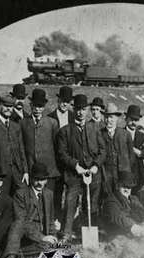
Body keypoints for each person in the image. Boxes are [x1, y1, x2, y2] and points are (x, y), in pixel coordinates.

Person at [56, 94, 107, 242]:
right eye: (77, 109)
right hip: (74, 174)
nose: (80, 112)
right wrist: (75, 165)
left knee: (91, 204)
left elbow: (102, 151)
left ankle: (86, 232)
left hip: (92, 174)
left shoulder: (94, 129)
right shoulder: (65, 131)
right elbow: (62, 153)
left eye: (83, 109)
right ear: (74, 109)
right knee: (71, 202)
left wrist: (96, 165)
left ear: (87, 110)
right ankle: (66, 233)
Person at [3, 163, 57, 258]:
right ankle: (10, 257)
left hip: (40, 237)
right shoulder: (20, 194)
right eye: (37, 179)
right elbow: (22, 221)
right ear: (31, 179)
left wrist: (53, 237)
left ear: (46, 180)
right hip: (23, 235)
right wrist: (42, 237)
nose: (39, 183)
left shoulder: (49, 194)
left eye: (42, 180)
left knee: (52, 247)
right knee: (17, 224)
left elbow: (50, 220)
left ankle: (13, 253)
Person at [0, 95, 28, 196]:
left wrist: (25, 171)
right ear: (0, 105)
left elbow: (21, 150)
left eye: (11, 106)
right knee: (2, 201)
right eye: (5, 105)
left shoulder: (16, 127)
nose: (8, 109)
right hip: (1, 173)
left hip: (17, 172)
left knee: (21, 198)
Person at [20, 88, 60, 195]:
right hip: (31, 170)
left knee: (48, 199)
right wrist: (25, 170)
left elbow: (57, 146)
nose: (38, 109)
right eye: (35, 106)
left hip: (49, 171)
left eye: (41, 106)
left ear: (44, 107)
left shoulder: (52, 123)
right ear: (31, 105)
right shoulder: (23, 123)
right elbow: (21, 148)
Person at [48, 86, 75, 226]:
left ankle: (68, 223)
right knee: (57, 193)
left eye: (68, 101)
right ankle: (56, 220)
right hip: (56, 163)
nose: (65, 104)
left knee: (71, 194)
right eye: (63, 101)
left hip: (70, 162)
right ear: (58, 100)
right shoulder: (50, 117)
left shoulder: (73, 117)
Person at [103, 171, 144, 239]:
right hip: (117, 235)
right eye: (124, 187)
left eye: (129, 187)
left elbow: (141, 211)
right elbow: (119, 217)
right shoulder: (111, 201)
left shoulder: (133, 198)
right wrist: (135, 227)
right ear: (118, 185)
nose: (127, 190)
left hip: (133, 233)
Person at [101, 103, 135, 194]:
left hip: (122, 174)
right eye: (106, 117)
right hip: (106, 175)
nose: (108, 120)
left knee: (122, 198)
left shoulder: (125, 134)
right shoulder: (99, 134)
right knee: (107, 198)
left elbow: (131, 156)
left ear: (117, 118)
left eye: (111, 117)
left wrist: (126, 169)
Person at [124, 105, 144, 194]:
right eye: (131, 119)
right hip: (124, 173)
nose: (134, 123)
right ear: (126, 118)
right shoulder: (119, 133)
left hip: (138, 174)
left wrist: (138, 152)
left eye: (136, 120)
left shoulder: (141, 136)